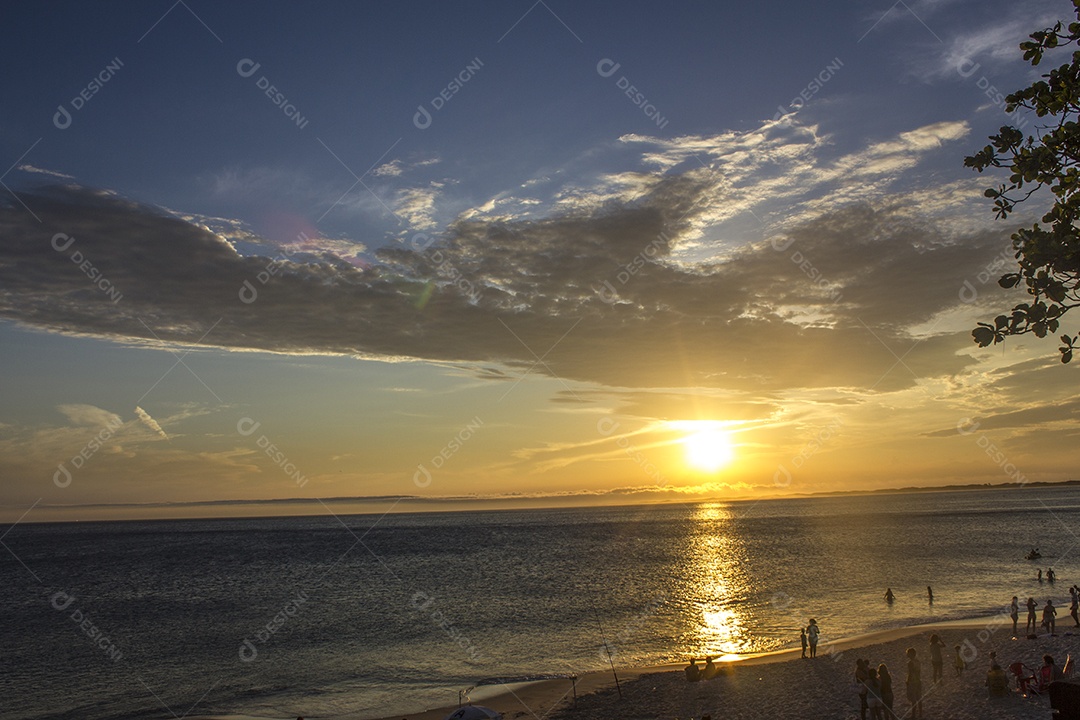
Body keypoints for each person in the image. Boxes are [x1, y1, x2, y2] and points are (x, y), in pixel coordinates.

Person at [906, 647, 923, 719]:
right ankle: (920, 713)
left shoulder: (910, 663)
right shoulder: (918, 661)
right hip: (918, 680)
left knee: (913, 699)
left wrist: (907, 681)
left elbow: (910, 673)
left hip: (913, 681)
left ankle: (913, 714)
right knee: (919, 698)